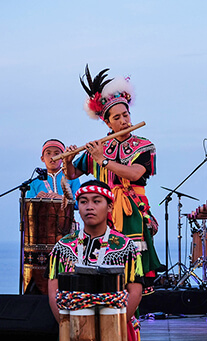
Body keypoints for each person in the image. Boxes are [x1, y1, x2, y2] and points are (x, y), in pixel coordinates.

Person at [63, 65, 162, 288]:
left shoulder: (144, 146)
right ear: (107, 122)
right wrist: (68, 161)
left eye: (126, 115)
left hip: (131, 214)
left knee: (132, 267)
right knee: (102, 263)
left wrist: (103, 161)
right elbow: (72, 174)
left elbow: (136, 173)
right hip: (101, 214)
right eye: (117, 117)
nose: (124, 121)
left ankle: (131, 318)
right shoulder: (99, 147)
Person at [47, 180, 144, 341]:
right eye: (84, 202)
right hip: (73, 327)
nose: (89, 207)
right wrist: (67, 322)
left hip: (117, 328)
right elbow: (54, 290)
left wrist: (113, 325)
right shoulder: (63, 246)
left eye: (96, 201)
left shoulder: (126, 246)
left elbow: (135, 290)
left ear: (109, 207)